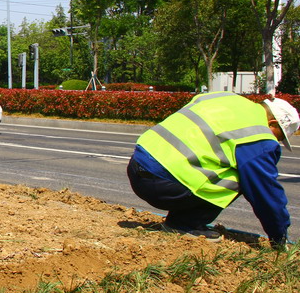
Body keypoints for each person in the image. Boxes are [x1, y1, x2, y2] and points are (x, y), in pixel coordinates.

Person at [127, 92, 299, 246]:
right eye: (279, 137)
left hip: (137, 164)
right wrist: (278, 236)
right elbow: (265, 192)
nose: (276, 141)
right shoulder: (259, 134)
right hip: (163, 183)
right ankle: (183, 224)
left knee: (224, 165)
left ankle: (180, 220)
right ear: (272, 123)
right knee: (242, 177)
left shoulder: (224, 97)